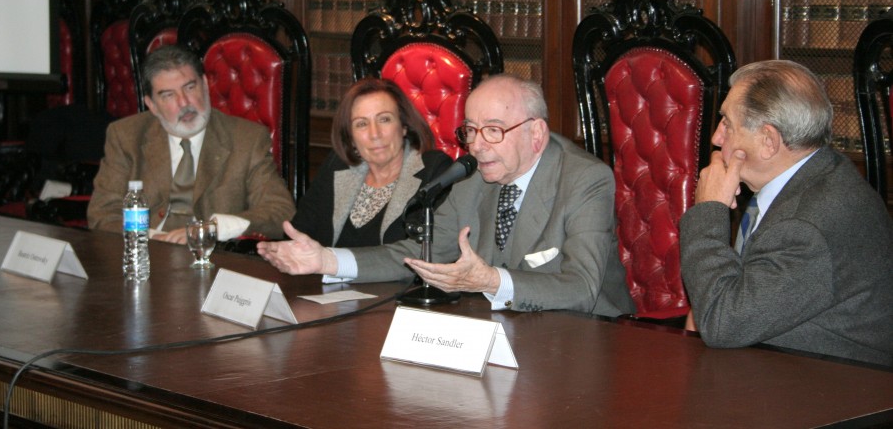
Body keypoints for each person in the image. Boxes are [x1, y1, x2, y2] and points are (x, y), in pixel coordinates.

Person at [260, 74, 635, 315]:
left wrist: (491, 281)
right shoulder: (472, 177)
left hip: (587, 338)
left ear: (535, 134)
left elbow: (582, 288)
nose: (478, 146)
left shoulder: (586, 179)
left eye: (493, 130)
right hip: (505, 331)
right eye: (470, 130)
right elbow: (417, 255)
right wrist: (328, 260)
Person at [680, 60, 893, 367]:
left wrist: (708, 210)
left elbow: (721, 324)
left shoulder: (806, 226)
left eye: (727, 123)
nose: (716, 137)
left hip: (833, 393)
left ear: (768, 141)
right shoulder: (818, 175)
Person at [87, 45, 295, 243]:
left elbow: (280, 211)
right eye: (168, 95)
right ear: (152, 105)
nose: (184, 103)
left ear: (204, 85)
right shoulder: (126, 136)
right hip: (146, 255)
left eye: (189, 87)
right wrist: (151, 238)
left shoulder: (247, 139)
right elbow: (102, 214)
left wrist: (212, 228)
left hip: (211, 260)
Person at [276, 77, 452, 248]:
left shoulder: (434, 170)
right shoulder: (337, 166)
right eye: (361, 124)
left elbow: (420, 254)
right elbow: (298, 234)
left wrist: (332, 262)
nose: (375, 134)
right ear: (350, 137)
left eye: (384, 119)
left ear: (404, 126)